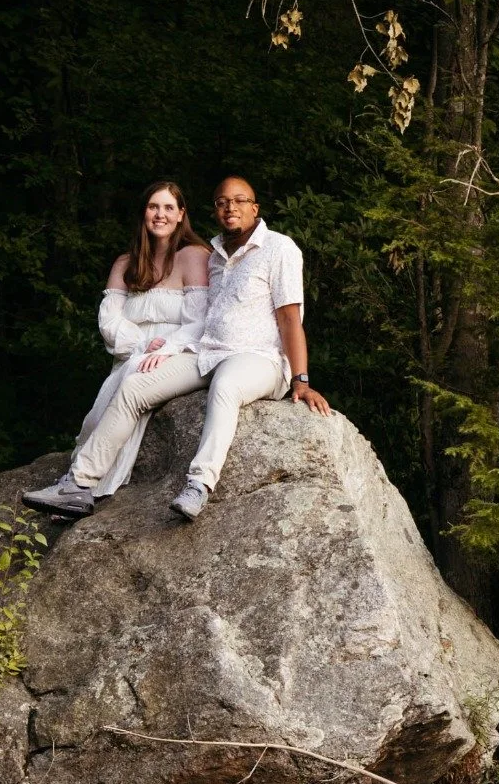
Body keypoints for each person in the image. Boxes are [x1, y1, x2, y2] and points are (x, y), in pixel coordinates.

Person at [25, 176, 332, 524]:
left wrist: (301, 380)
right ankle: (78, 484)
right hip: (208, 353)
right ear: (215, 210)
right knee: (135, 385)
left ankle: (199, 484)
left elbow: (290, 318)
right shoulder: (216, 256)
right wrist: (171, 348)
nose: (230, 207)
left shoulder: (279, 248)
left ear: (255, 207)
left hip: (259, 358)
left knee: (226, 386)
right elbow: (204, 319)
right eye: (222, 202)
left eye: (239, 200)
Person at [23, 181, 210, 513]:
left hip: (177, 351)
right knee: (95, 418)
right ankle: (75, 491)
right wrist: (141, 343)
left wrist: (166, 348)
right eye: (154, 207)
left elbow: (200, 320)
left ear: (182, 214)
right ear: (144, 212)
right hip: (133, 353)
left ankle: (80, 485)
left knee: (131, 386)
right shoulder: (126, 262)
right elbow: (109, 320)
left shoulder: (194, 256)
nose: (161, 214)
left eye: (169, 208)